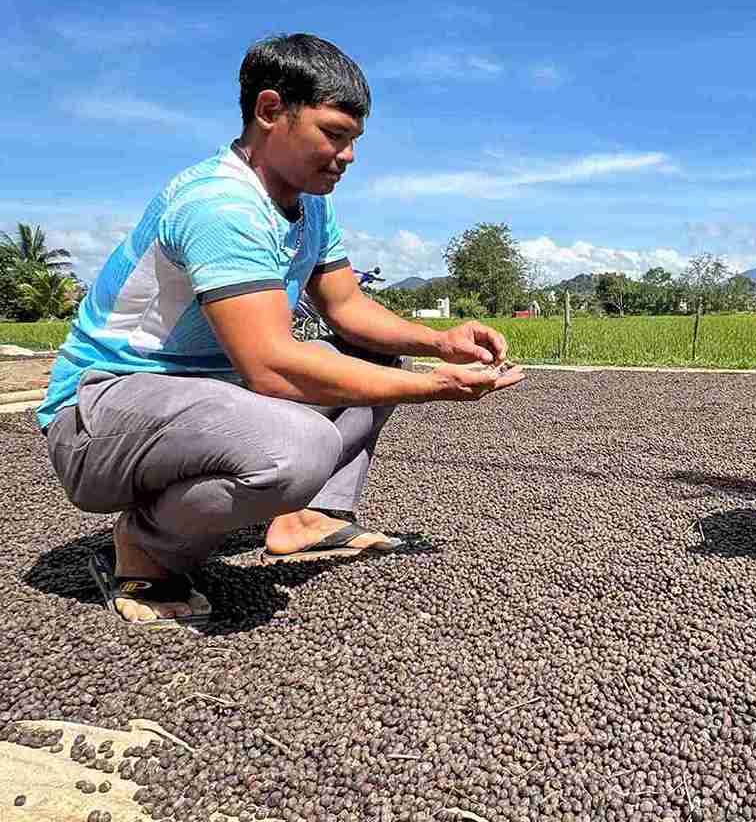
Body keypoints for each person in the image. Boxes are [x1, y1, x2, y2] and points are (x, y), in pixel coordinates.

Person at [37, 33, 524, 626]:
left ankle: (309, 517)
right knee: (297, 445)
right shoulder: (222, 205)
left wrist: (438, 342)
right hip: (102, 411)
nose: (347, 156)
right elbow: (271, 367)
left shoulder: (309, 203)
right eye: (333, 135)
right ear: (270, 112)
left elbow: (347, 309)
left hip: (205, 402)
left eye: (354, 141)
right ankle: (148, 547)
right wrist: (434, 386)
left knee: (369, 354)